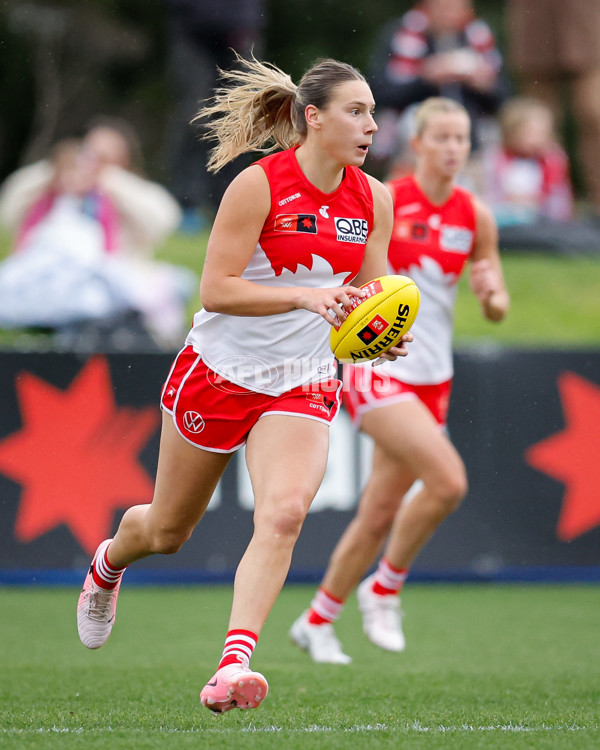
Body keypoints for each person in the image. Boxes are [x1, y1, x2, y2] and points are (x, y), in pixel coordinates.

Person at [75, 55, 413, 714]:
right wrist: (307, 299)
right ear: (313, 118)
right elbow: (215, 290)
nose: (372, 124)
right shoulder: (258, 186)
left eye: (373, 112)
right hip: (222, 372)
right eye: (357, 111)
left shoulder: (375, 197)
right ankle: (109, 563)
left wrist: (380, 334)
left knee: (284, 513)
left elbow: (375, 292)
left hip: (304, 379)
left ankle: (233, 666)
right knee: (169, 531)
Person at [290, 97, 510, 664]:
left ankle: (317, 620)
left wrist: (493, 296)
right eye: (441, 138)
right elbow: (354, 269)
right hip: (377, 367)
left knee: (380, 512)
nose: (453, 148)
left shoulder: (475, 215)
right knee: (448, 482)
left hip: (435, 376)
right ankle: (384, 588)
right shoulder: (384, 198)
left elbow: (497, 304)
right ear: (417, 145)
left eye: (462, 138)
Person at [0, 118, 193, 347]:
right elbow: (10, 207)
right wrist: (62, 165)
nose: (94, 161)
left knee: (175, 285)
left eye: (106, 155)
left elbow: (165, 219)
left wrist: (108, 175)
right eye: (90, 152)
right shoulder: (49, 190)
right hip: (56, 279)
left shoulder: (126, 192)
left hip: (114, 281)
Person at [367, 0, 508, 179]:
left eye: (455, 7)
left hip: (472, 147)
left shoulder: (478, 38)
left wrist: (482, 84)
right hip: (413, 148)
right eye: (442, 7)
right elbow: (380, 92)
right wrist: (424, 78)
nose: (448, 14)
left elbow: (503, 98)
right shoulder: (402, 34)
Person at [163, 0, 266, 232]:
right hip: (194, 34)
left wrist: (241, 21)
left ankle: (232, 203)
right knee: (195, 119)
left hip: (242, 34)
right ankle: (187, 206)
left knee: (241, 120)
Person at [506, 0, 600, 221]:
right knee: (535, 121)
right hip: (535, 17)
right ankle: (546, 205)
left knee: (594, 113)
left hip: (586, 18)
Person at [480, 97, 600, 255]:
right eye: (530, 133)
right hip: (508, 222)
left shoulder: (552, 161)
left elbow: (560, 202)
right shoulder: (495, 160)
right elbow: (488, 197)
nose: (537, 139)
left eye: (543, 133)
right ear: (512, 132)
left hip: (545, 220)